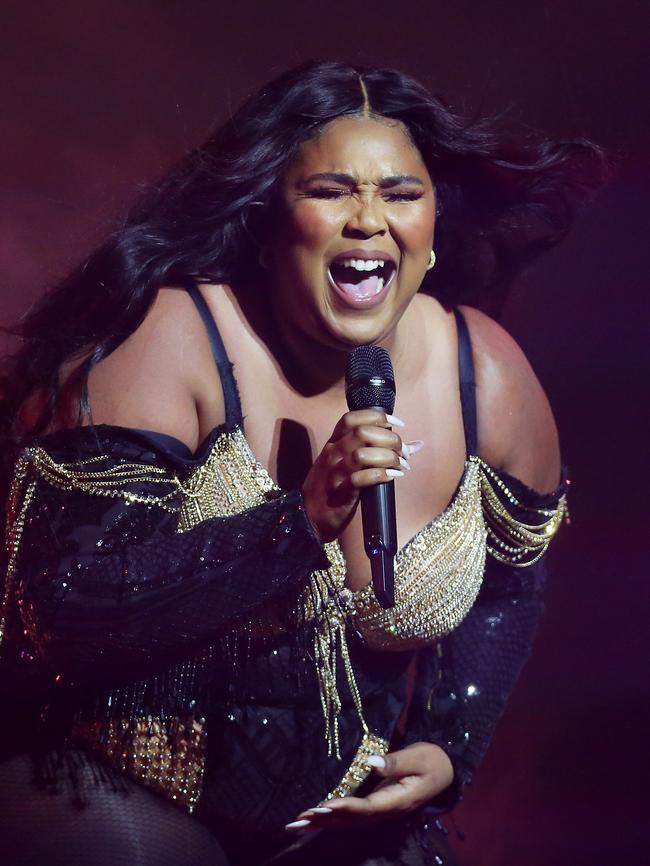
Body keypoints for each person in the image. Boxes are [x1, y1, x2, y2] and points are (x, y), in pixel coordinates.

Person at [0, 61, 602, 865]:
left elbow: (512, 579)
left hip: (334, 826)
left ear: (431, 235)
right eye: (330, 191)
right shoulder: (176, 340)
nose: (367, 220)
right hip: (116, 791)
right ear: (269, 219)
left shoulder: (483, 376)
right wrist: (296, 525)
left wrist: (450, 743)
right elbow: (61, 610)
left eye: (399, 193)